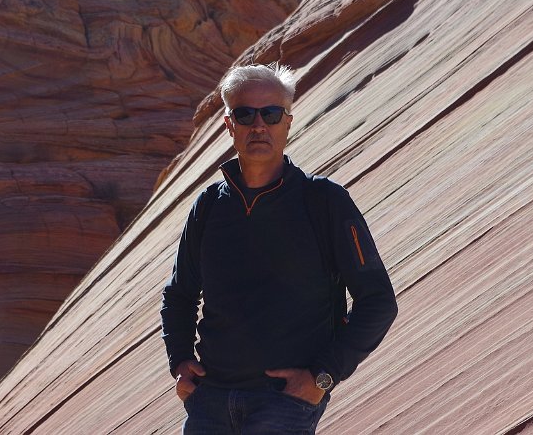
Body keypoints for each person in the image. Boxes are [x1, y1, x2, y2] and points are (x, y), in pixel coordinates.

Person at [161, 63, 398, 434]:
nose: (259, 126)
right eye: (245, 114)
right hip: (209, 403)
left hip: (284, 403)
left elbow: (378, 300)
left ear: (287, 122)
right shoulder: (209, 205)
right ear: (228, 125)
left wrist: (323, 377)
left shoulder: (324, 202)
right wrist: (179, 359)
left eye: (271, 114)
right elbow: (179, 294)